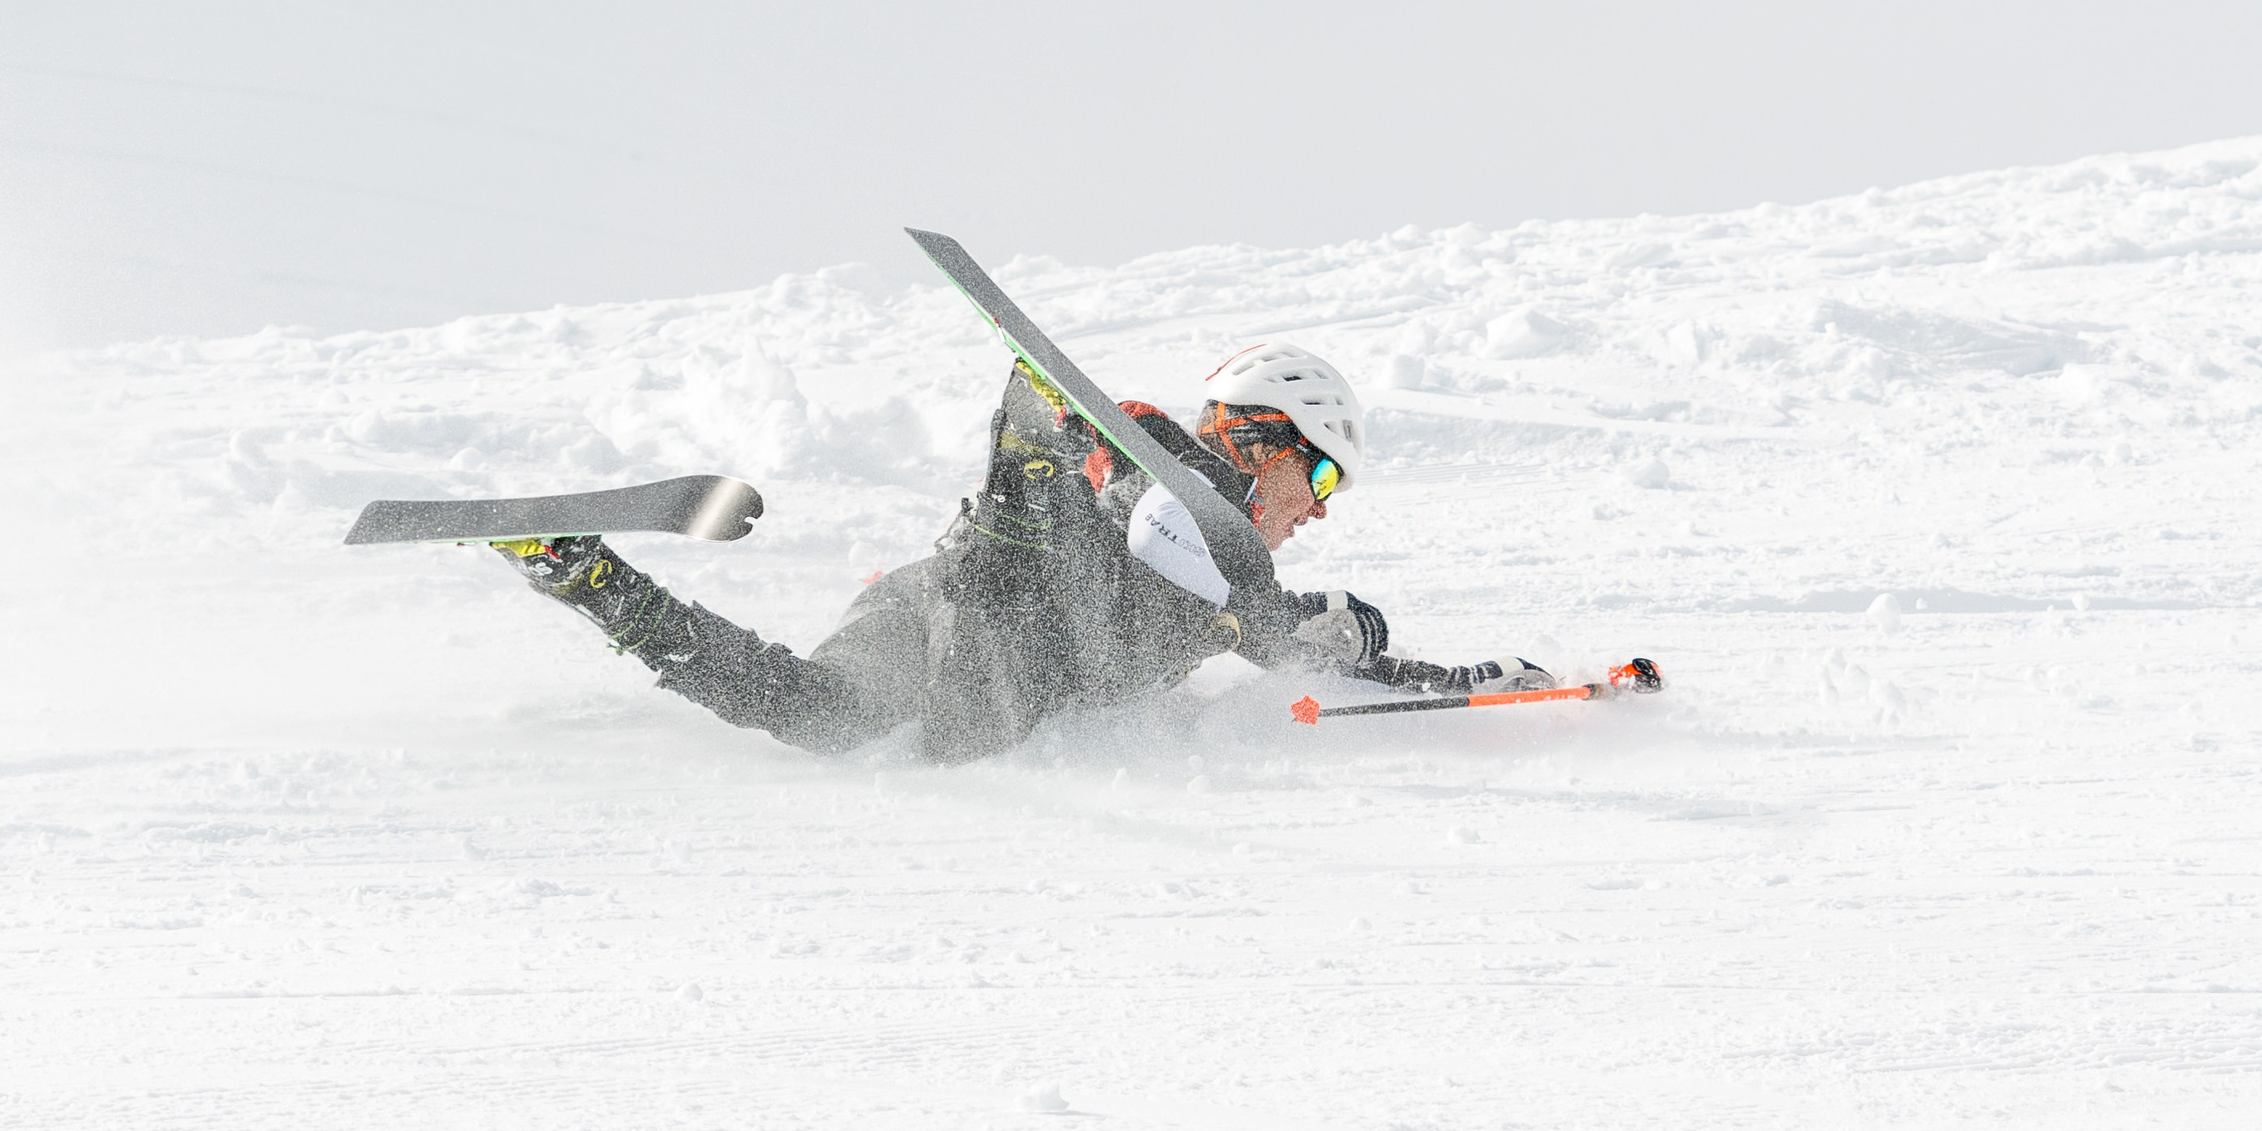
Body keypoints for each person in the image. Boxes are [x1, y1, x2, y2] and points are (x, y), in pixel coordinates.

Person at [493, 341, 1548, 763]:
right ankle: (1023, 456)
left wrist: (1470, 680)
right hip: (991, 600)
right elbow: (1135, 463)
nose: (1316, 510)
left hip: (958, 653)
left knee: (820, 718)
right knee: (1043, 589)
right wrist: (1092, 458)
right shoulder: (1169, 466)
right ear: (1264, 437)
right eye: (1317, 477)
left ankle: (577, 572)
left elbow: (1310, 649)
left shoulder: (1247, 585)